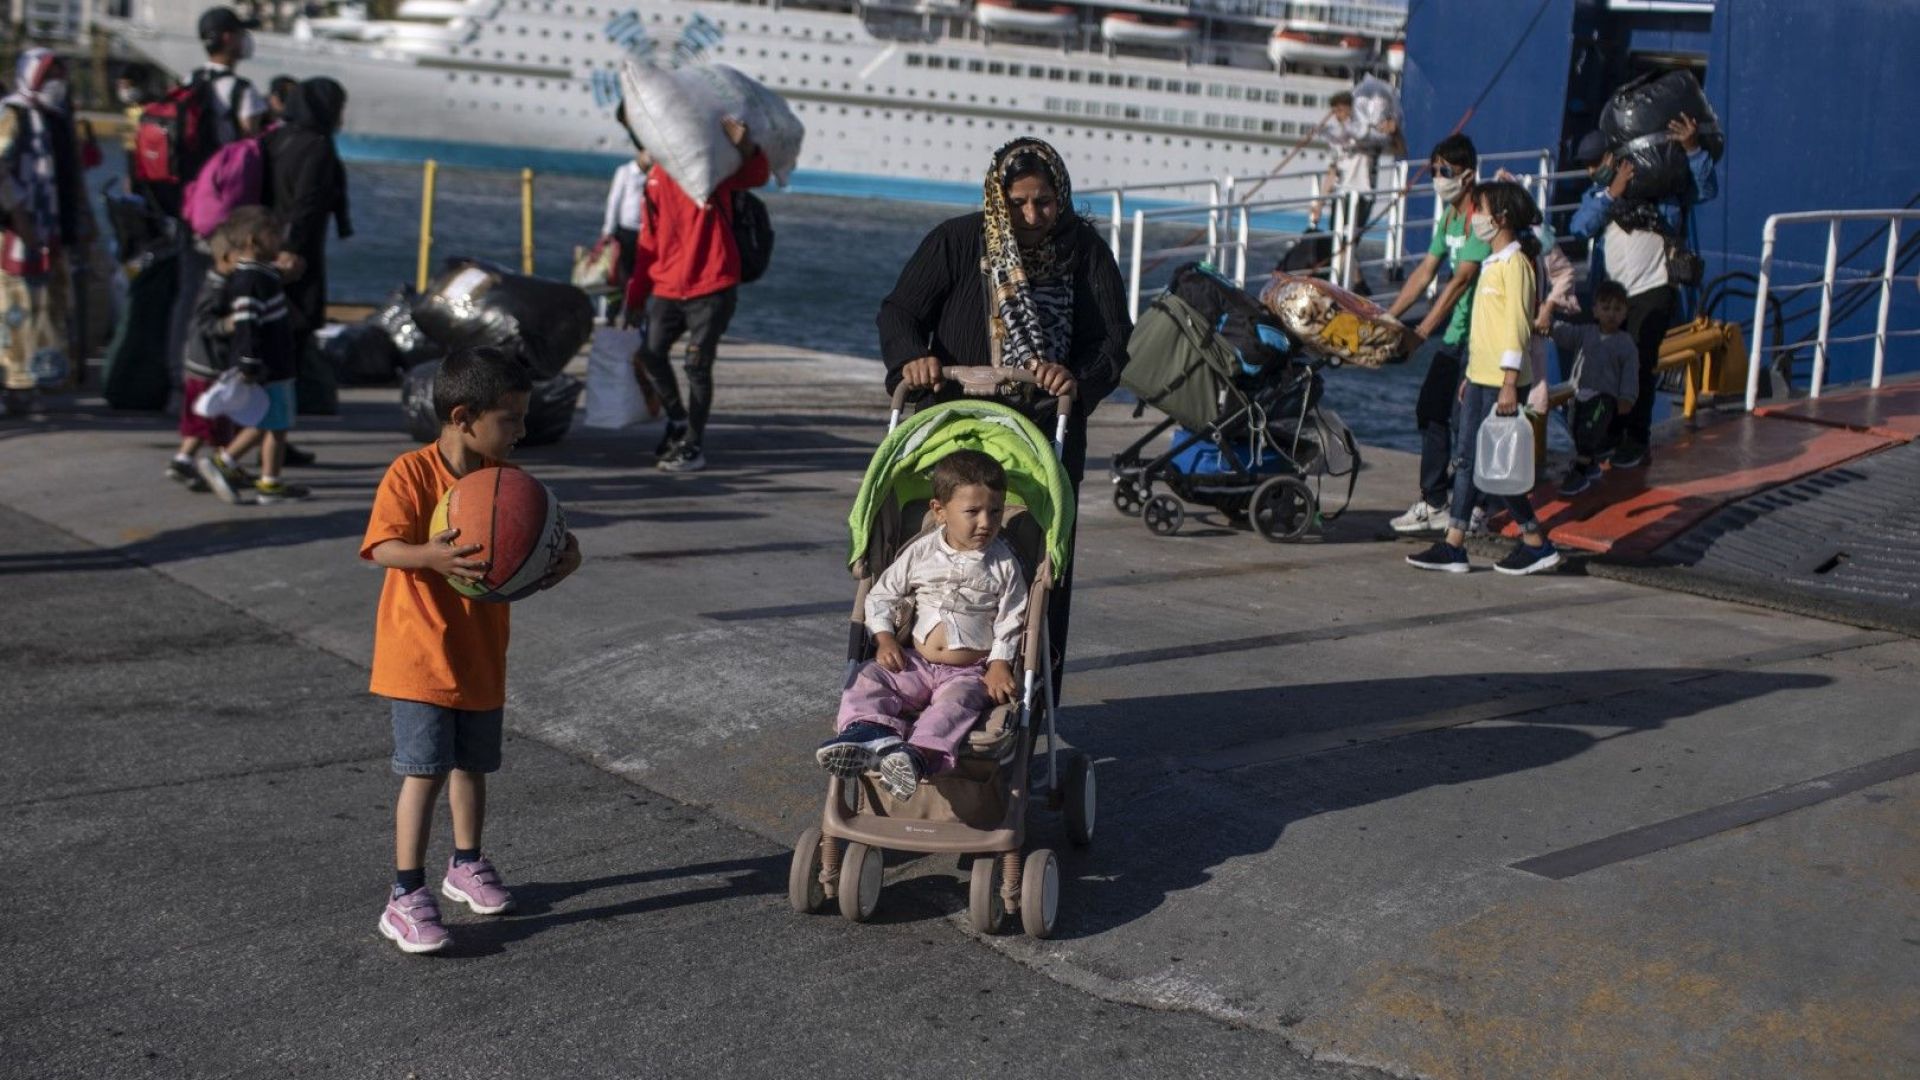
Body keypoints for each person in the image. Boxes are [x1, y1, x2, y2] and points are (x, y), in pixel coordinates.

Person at [877, 136, 1129, 702]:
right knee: (934, 552)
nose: (1032, 216)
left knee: (1038, 569)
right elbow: (900, 312)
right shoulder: (955, 241)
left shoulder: (1085, 252)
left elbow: (1113, 340)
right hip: (957, 426)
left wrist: (1076, 378)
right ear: (997, 199)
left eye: (1044, 202)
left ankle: (1029, 705)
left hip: (1044, 434)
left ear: (1062, 198)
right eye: (1018, 203)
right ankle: (911, 683)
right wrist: (912, 358)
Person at [360, 345, 581, 954]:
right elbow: (382, 547)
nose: (522, 430)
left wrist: (566, 557)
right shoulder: (411, 473)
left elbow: (546, 537)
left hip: (480, 653)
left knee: (472, 767)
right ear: (463, 417)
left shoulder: (505, 482)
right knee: (424, 772)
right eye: (511, 419)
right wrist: (428, 555)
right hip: (419, 656)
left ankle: (466, 862)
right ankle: (404, 894)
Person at [816, 449, 1026, 802]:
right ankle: (868, 731)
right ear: (939, 511)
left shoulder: (1003, 563)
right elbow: (881, 595)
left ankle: (917, 756)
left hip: (967, 672)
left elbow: (1012, 617)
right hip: (915, 663)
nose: (986, 522)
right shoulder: (920, 553)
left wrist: (999, 663)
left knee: (955, 706)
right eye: (972, 512)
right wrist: (885, 639)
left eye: (995, 511)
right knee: (868, 676)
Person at [1405, 181, 1559, 576]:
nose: (1475, 217)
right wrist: (1471, 373)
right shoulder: (1492, 263)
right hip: (1479, 377)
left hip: (1501, 382)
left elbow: (1517, 327)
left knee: (1492, 467)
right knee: (1469, 461)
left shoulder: (1515, 264)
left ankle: (1534, 542)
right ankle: (1455, 544)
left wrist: (1508, 381)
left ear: (1501, 218)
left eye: (1481, 210)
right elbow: (1486, 329)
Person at [1567, 117, 1718, 469]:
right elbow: (1580, 227)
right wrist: (1611, 192)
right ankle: (1609, 436)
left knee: (1637, 364)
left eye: (1596, 162)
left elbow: (1705, 190)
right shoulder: (1598, 195)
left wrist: (1693, 149)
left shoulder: (1662, 190)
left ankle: (1635, 441)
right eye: (1587, 166)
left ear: (1614, 155)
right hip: (1613, 297)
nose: (1591, 171)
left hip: (1654, 288)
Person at [622, 116, 768, 473]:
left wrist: (745, 146)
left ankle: (693, 444)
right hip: (668, 286)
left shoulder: (710, 168)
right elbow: (647, 243)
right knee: (650, 355)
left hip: (713, 284)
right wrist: (635, 296)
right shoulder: (655, 179)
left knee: (697, 365)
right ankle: (677, 420)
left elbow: (757, 176)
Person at [1384, 134, 1491, 534]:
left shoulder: (1480, 216)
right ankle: (1434, 501)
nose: (1438, 178)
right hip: (1456, 334)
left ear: (1468, 175)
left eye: (1445, 170)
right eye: (1434, 170)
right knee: (1430, 409)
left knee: (1466, 423)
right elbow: (1425, 272)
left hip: (1481, 336)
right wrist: (1387, 317)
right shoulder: (1448, 218)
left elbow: (1462, 279)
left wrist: (1422, 331)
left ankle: (1475, 505)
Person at [163, 7, 270, 392]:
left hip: (189, 205)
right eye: (239, 33)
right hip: (228, 210)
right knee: (227, 291)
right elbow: (253, 147)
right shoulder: (243, 92)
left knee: (189, 291)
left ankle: (178, 372)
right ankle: (217, 375)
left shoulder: (187, 82)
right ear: (227, 38)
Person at [191, 207, 304, 503]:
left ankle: (261, 477)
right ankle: (236, 467)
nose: (280, 240)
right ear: (254, 241)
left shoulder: (259, 276)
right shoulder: (252, 282)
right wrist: (248, 361)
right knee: (274, 424)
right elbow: (247, 324)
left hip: (273, 365)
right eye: (274, 235)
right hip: (269, 366)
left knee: (271, 423)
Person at [0, 49, 90, 417]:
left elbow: (69, 176)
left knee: (48, 307)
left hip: (50, 230)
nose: (59, 83)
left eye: (61, 75)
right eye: (51, 75)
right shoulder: (13, 114)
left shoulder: (55, 119)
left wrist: (81, 222)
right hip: (17, 233)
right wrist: (19, 216)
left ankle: (41, 377)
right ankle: (15, 383)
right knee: (16, 309)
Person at [263, 77, 351, 341]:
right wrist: (291, 247)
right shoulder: (317, 146)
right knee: (301, 318)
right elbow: (307, 201)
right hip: (298, 245)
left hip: (266, 235)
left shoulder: (277, 137)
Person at [1549, 280, 1638, 496]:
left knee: (1589, 432)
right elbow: (1565, 334)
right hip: (1580, 395)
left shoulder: (1625, 344)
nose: (1611, 314)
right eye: (1606, 308)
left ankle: (1578, 473)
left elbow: (1630, 373)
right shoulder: (1586, 333)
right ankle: (1590, 465)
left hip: (1604, 399)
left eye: (1617, 309)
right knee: (1576, 431)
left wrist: (1627, 397)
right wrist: (1548, 323)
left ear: (1625, 313)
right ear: (1595, 310)